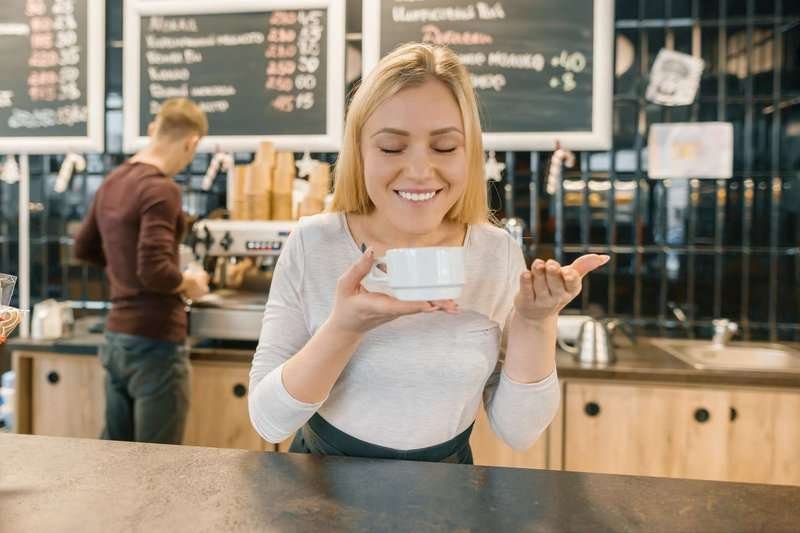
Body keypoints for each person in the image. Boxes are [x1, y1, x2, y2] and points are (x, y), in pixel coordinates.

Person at [248, 43, 608, 463]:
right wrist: (344, 328)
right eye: (391, 148)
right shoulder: (314, 244)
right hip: (322, 484)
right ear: (360, 153)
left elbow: (519, 430)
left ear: (469, 152)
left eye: (444, 148)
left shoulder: (496, 254)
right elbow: (269, 421)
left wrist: (536, 321)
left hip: (447, 489)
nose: (420, 171)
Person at [74, 98, 210, 444]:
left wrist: (123, 269)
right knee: (158, 465)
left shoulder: (113, 181)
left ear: (153, 130)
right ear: (191, 142)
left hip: (118, 339)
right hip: (156, 343)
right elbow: (155, 271)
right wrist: (190, 283)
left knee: (117, 458)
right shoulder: (161, 189)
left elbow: (83, 248)